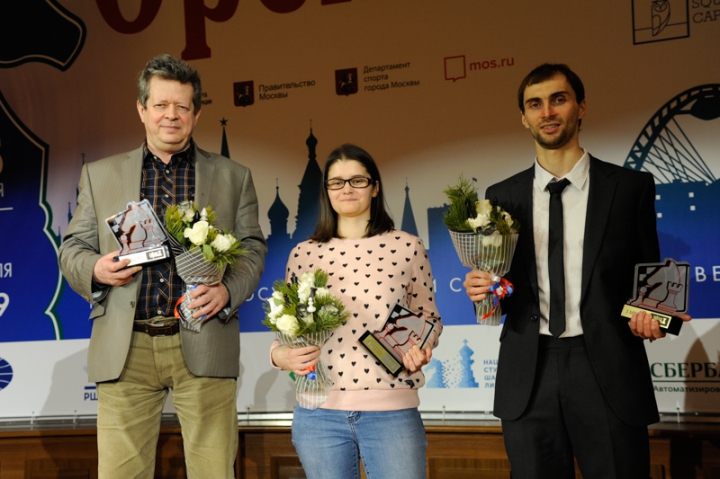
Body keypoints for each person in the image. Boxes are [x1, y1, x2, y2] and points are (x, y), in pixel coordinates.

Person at [463, 63, 691, 478]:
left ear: (581, 107)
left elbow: (650, 279)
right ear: (524, 118)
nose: (547, 112)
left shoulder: (629, 188)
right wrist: (484, 289)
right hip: (527, 372)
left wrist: (656, 318)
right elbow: (503, 290)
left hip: (608, 368)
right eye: (535, 104)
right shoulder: (501, 197)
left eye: (558, 99)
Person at [59, 54, 267, 479]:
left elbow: (252, 248)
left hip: (204, 337)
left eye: (182, 106)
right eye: (160, 105)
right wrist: (96, 269)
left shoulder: (234, 176)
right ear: (142, 109)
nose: (171, 115)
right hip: (126, 347)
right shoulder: (99, 175)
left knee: (214, 472)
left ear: (196, 114)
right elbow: (72, 248)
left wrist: (228, 290)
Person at [270, 144, 442, 479]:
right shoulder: (303, 254)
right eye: (336, 182)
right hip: (318, 414)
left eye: (357, 181)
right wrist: (280, 357)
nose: (346, 189)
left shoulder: (407, 246)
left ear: (375, 187)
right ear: (326, 191)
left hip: (391, 412)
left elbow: (429, 318)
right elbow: (287, 330)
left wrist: (421, 347)